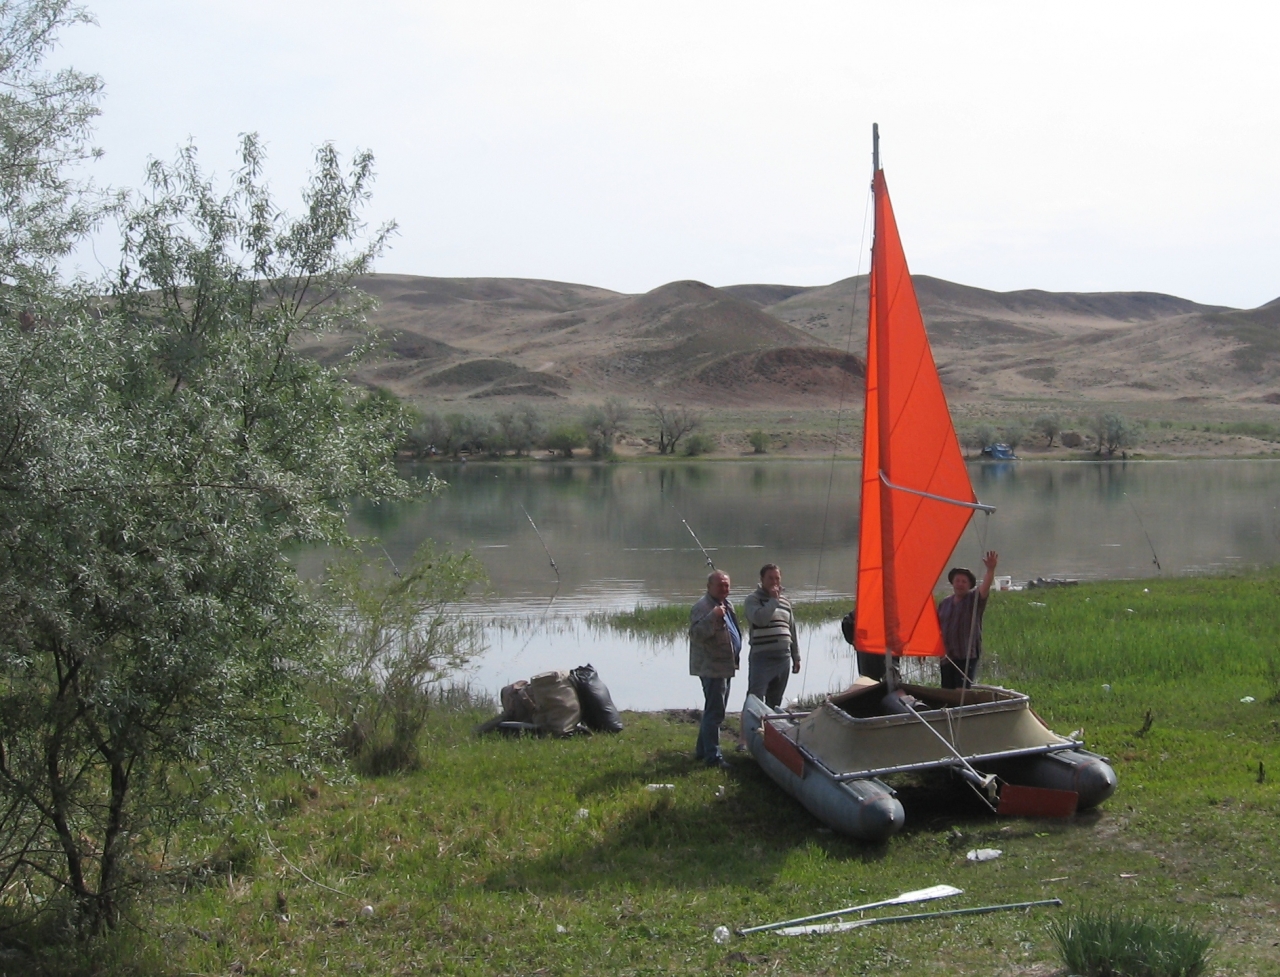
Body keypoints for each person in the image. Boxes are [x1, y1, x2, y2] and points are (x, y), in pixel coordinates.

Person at [688, 569, 741, 768]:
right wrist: (713, 616)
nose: (724, 588)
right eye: (720, 585)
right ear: (709, 586)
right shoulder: (702, 607)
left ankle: (702, 751)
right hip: (711, 667)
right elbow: (696, 634)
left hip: (726, 665)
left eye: (726, 585)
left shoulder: (727, 604)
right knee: (715, 712)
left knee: (714, 710)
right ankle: (713, 757)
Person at [937, 550, 998, 689]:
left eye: (964, 581)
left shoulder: (974, 599)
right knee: (946, 691)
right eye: (957, 581)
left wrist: (990, 570)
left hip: (966, 655)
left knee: (963, 691)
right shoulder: (944, 602)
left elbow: (985, 587)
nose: (960, 584)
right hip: (946, 656)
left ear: (969, 585)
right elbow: (936, 629)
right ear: (952, 583)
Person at [743, 564, 801, 711]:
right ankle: (751, 723)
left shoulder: (785, 602)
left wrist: (796, 656)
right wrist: (774, 601)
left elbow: (791, 629)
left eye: (777, 578)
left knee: (775, 700)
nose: (774, 582)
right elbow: (760, 619)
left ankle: (771, 723)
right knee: (755, 697)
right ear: (762, 579)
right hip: (762, 657)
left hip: (783, 657)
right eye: (770, 578)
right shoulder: (752, 600)